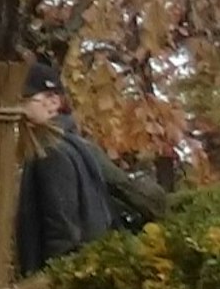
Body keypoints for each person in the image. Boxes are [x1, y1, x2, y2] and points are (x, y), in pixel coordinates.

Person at [18, 65, 148, 275]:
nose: (18, 109)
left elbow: (62, 233)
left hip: (62, 283)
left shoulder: (49, 152)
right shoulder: (78, 145)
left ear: (53, 102)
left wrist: (48, 287)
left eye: (25, 100)